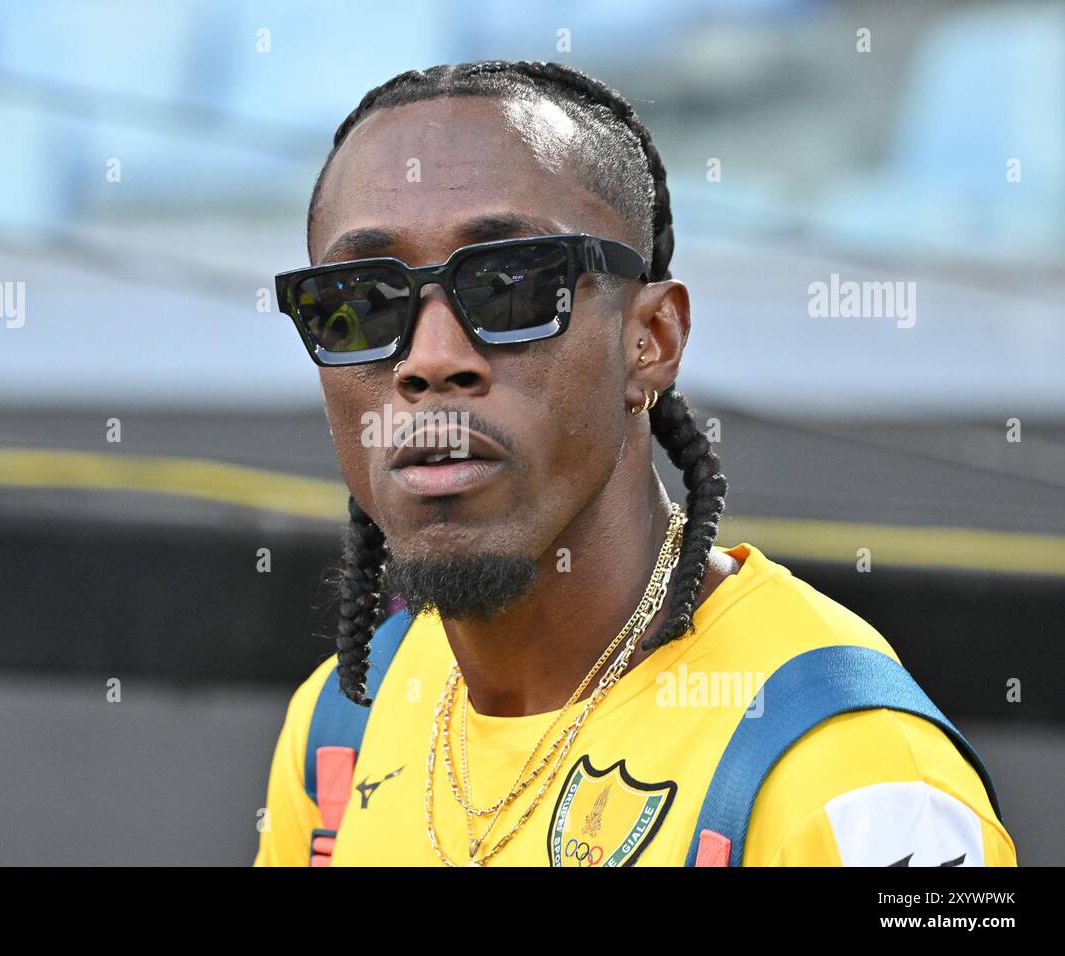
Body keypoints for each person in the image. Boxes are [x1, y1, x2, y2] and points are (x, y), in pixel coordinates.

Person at [254, 60, 1015, 867]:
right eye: (361, 304)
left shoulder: (854, 779)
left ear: (652, 341)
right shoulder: (339, 731)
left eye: (511, 286)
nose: (431, 360)